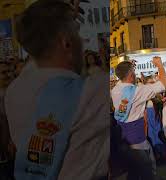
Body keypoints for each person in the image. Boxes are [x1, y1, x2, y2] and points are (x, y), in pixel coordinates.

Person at [5, 1, 108, 179]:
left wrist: (57, 20)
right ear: (66, 42)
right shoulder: (90, 92)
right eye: (77, 33)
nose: (81, 41)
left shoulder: (15, 90)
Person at [111, 57, 166, 180]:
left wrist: (130, 66)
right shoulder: (137, 92)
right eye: (133, 72)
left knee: (133, 172)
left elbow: (126, 79)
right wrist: (159, 64)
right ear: (131, 75)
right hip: (138, 142)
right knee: (147, 172)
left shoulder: (116, 89)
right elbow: (164, 82)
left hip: (125, 140)